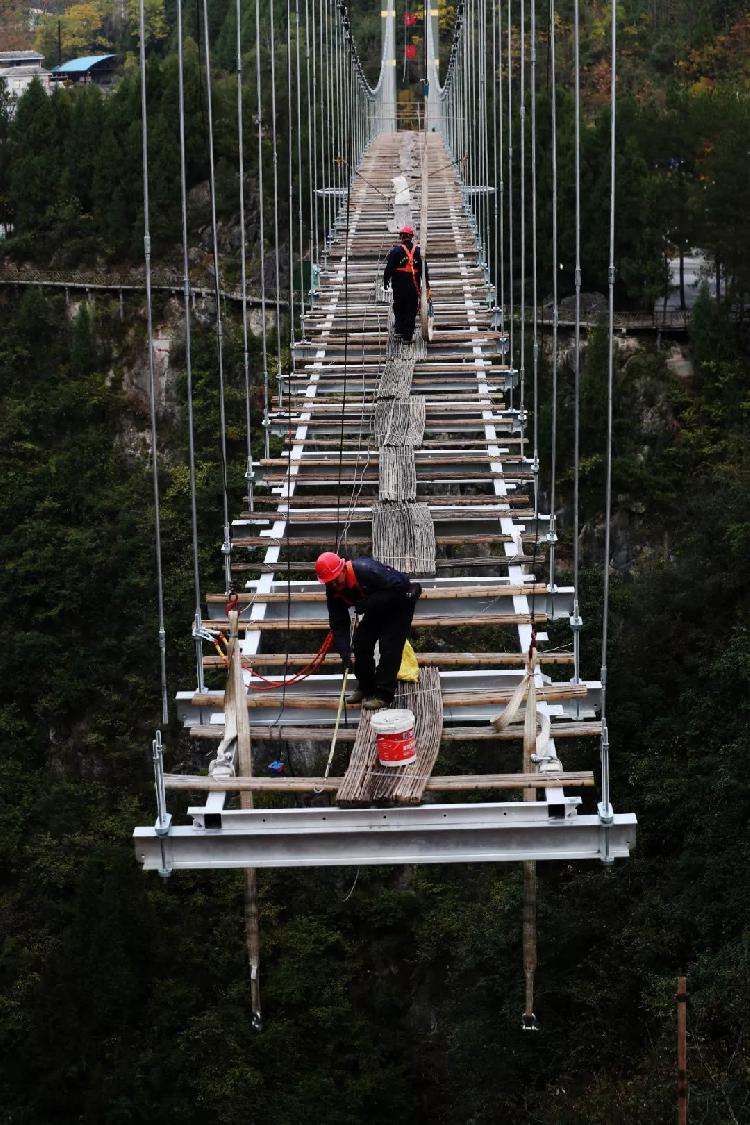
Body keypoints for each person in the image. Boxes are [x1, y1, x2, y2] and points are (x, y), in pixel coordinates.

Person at [315, 552, 422, 710]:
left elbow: (401, 587)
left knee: (389, 647)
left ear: (343, 569)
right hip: (374, 606)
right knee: (361, 643)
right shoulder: (333, 588)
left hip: (400, 603)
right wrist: (344, 653)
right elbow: (338, 622)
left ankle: (383, 695)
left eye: (335, 581)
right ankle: (366, 687)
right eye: (329, 583)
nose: (334, 586)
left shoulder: (366, 570)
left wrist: (369, 602)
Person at [382, 225, 431, 343]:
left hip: (398, 286)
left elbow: (388, 269)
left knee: (399, 307)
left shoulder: (395, 251)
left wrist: (385, 282)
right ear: (411, 237)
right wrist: (427, 286)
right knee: (411, 309)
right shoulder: (419, 252)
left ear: (401, 237)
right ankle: (407, 336)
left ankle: (399, 330)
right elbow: (424, 271)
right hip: (413, 287)